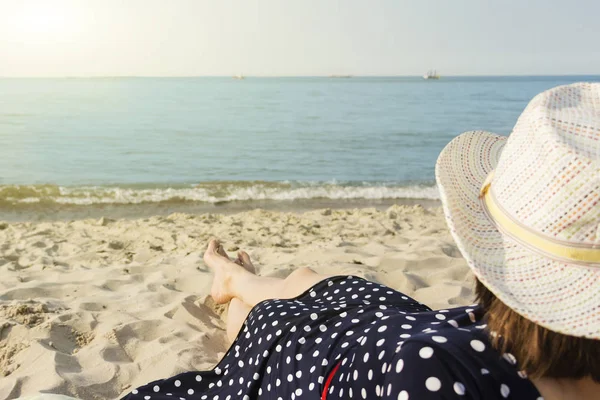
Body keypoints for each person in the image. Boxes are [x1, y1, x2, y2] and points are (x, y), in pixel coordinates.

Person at [123, 82, 600, 400]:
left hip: (350, 363)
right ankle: (237, 276)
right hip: (452, 332)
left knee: (263, 322)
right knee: (316, 282)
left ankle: (231, 279)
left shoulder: (431, 382)